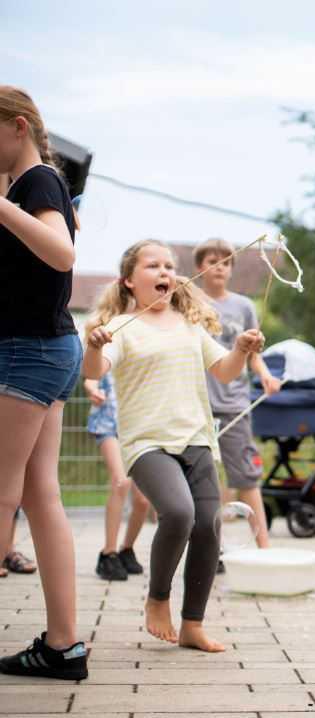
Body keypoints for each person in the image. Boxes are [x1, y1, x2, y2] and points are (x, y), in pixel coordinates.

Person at [83, 239, 265, 652]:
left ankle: (193, 625)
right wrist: (94, 346)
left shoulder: (190, 326)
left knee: (208, 524)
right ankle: (158, 598)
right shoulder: (121, 328)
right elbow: (94, 370)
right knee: (179, 512)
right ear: (129, 280)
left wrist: (240, 350)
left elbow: (224, 373)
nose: (164, 271)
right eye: (152, 265)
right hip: (146, 443)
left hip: (197, 439)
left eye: (169, 265)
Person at [0, 87, 87, 680]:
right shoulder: (28, 186)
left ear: (19, 126)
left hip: (30, 351)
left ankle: (63, 644)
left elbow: (61, 255)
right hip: (45, 348)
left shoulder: (37, 182)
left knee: (3, 493)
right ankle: (62, 647)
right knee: (37, 495)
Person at [194, 238, 280, 549]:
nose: (219, 267)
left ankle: (264, 548)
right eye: (211, 261)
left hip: (234, 404)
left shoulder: (244, 306)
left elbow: (254, 353)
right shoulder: (188, 302)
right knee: (204, 482)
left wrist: (267, 376)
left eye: (226, 262)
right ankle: (209, 550)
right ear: (198, 268)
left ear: (232, 269)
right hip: (196, 405)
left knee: (245, 476)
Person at [86, 372, 151, 580]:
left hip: (136, 429)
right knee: (121, 482)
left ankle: (127, 549)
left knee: (143, 500)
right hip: (108, 424)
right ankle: (108, 553)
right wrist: (93, 390)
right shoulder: (109, 347)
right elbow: (91, 377)